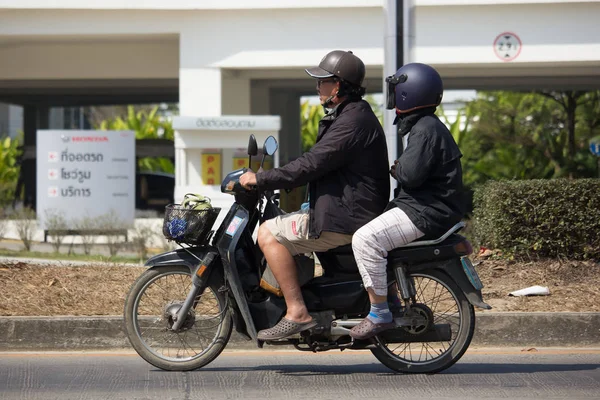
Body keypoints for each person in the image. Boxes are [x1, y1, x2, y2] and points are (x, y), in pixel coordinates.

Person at [239, 50, 390, 340]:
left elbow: (312, 163)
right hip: (345, 209)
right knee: (286, 226)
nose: (317, 87)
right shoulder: (351, 115)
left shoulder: (352, 122)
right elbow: (319, 165)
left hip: (345, 217)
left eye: (322, 81)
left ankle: (296, 311)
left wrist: (261, 178)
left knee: (268, 234)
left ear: (338, 86)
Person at [349, 63, 465, 340]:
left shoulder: (425, 130)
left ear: (407, 93)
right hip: (426, 209)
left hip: (425, 212)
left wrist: (396, 168)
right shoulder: (427, 126)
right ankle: (390, 303)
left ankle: (379, 313)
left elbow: (409, 175)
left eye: (396, 87)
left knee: (364, 240)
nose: (392, 93)